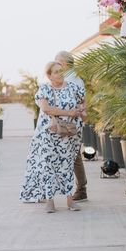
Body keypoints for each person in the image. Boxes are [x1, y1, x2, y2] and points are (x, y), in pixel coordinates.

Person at [20, 61, 84, 213]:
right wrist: (69, 113)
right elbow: (46, 109)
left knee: (67, 165)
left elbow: (82, 102)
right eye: (55, 72)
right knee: (48, 166)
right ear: (49, 75)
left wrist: (81, 110)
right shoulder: (44, 89)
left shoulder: (73, 87)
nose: (59, 74)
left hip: (68, 135)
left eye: (61, 71)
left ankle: (70, 201)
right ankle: (50, 201)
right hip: (48, 136)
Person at [55, 50, 88, 202]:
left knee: (73, 156)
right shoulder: (69, 78)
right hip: (67, 122)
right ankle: (80, 189)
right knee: (74, 156)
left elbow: (81, 103)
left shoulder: (73, 80)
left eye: (58, 62)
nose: (56, 65)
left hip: (70, 123)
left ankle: (81, 189)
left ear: (66, 64)